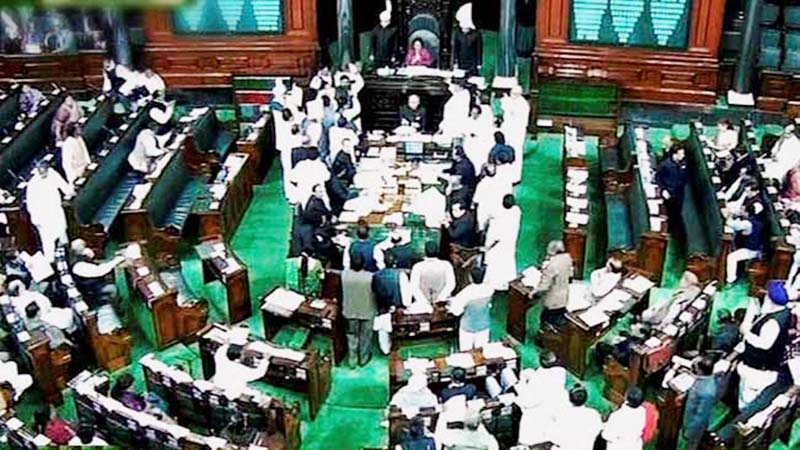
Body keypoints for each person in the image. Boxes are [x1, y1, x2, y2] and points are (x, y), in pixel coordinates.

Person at [737, 281, 791, 409]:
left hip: (758, 372)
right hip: (762, 368)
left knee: (748, 401)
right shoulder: (784, 312)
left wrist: (746, 333)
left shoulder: (773, 322)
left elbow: (764, 344)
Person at [25, 159, 74, 262]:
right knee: (48, 244)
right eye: (40, 171)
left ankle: (68, 259)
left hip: (56, 212)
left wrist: (70, 191)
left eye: (44, 170)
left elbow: (66, 188)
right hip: (43, 218)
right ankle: (51, 263)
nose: (43, 173)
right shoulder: (32, 184)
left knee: (62, 235)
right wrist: (37, 221)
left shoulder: (53, 174)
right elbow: (31, 206)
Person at [516, 352, 569, 446]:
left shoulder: (538, 380)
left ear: (541, 362)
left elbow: (526, 402)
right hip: (554, 412)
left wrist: (522, 382)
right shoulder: (561, 371)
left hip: (537, 417)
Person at [211, 327, 271, 398]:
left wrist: (266, 359)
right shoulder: (224, 379)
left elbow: (259, 373)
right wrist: (225, 345)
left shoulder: (229, 382)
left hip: (240, 361)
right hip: (238, 361)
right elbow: (219, 357)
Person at [372, 252, 412, 354]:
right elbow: (406, 294)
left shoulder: (375, 275)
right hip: (397, 309)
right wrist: (407, 306)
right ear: (395, 262)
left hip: (382, 309)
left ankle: (385, 350)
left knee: (383, 332)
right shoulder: (400, 275)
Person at [342, 254, 377, 367]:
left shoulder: (344, 275)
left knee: (351, 336)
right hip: (367, 311)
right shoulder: (370, 277)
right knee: (365, 337)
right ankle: (363, 359)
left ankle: (352, 360)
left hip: (349, 311)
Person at [448, 265, 494, 350]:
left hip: (467, 328)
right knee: (481, 352)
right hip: (484, 326)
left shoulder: (465, 293)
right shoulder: (489, 290)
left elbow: (456, 312)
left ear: (470, 278)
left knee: (466, 353)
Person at [680, 356, 718, 450]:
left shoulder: (707, 392)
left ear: (700, 370)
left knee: (692, 444)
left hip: (694, 425)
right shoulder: (707, 377)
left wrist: (689, 431)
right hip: (689, 416)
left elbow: (701, 417)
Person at [483, 194, 520, 291]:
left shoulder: (499, 221)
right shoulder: (516, 211)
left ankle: (495, 285)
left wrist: (488, 247)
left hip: (498, 247)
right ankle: (506, 283)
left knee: (495, 265)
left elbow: (496, 238)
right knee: (507, 263)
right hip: (510, 244)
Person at [532, 240, 573, 329]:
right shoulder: (567, 258)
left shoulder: (552, 265)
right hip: (564, 296)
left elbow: (544, 286)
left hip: (552, 300)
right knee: (559, 319)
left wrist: (533, 292)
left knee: (547, 321)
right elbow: (570, 275)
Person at [552, 385, 603, 450]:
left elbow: (553, 437)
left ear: (570, 398)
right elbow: (599, 433)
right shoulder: (594, 414)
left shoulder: (562, 414)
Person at [726, 202, 765, 284]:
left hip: (750, 250)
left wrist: (729, 215)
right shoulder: (760, 221)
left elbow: (731, 224)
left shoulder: (748, 223)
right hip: (757, 249)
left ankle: (730, 280)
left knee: (731, 257)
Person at [655, 146, 688, 240]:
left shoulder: (683, 164)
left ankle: (676, 232)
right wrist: (663, 189)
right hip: (668, 192)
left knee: (678, 212)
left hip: (679, 192)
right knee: (670, 212)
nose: (683, 156)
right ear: (675, 154)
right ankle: (670, 232)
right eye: (681, 154)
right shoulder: (665, 165)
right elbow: (658, 178)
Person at [500, 84, 530, 184]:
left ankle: (515, 177)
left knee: (516, 153)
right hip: (508, 131)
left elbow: (516, 118)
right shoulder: (511, 101)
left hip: (517, 132)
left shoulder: (522, 105)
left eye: (514, 94)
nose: (512, 95)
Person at [473, 164, 513, 229]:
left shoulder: (482, 184)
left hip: (485, 210)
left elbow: (476, 200)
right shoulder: (503, 181)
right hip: (498, 210)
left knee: (482, 227)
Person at [453, 3, 482, 76]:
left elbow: (478, 50)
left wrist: (479, 63)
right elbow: (456, 48)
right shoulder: (458, 34)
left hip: (472, 63)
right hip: (461, 61)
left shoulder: (476, 34)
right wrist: (455, 61)